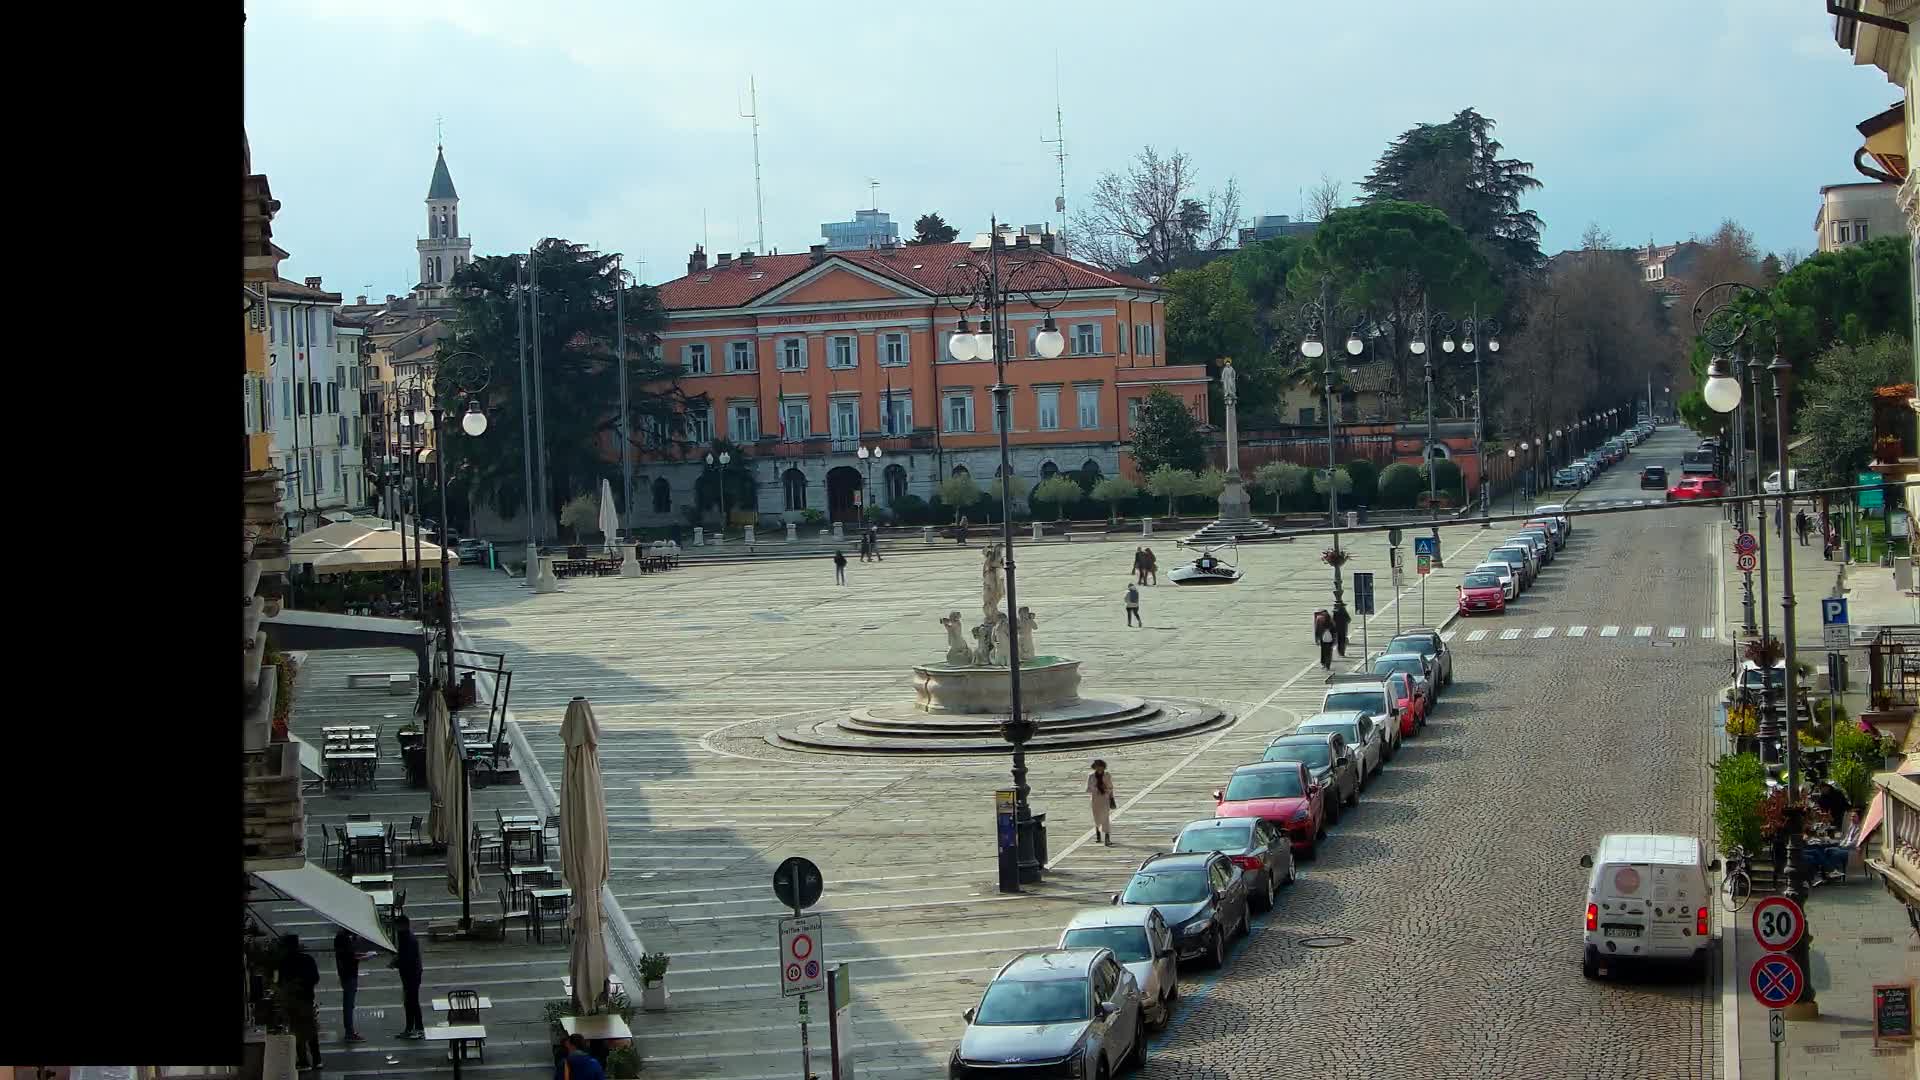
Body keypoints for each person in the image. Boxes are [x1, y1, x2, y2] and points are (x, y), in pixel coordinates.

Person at [278, 935, 322, 1070]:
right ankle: (317, 1060)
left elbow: (281, 982)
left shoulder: (285, 961)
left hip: (293, 1001)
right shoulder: (308, 959)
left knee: (297, 1031)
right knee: (311, 1031)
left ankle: (303, 1061)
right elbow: (315, 978)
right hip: (307, 999)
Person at [333, 928, 374, 1043]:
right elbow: (349, 958)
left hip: (346, 974)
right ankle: (349, 1032)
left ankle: (349, 1031)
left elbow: (350, 954)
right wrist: (365, 957)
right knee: (348, 1004)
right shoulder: (343, 939)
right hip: (348, 974)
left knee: (349, 1004)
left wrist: (362, 954)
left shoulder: (342, 938)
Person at [391, 915, 425, 1039]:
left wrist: (396, 963)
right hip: (409, 974)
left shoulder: (408, 938)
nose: (394, 928)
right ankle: (412, 1028)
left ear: (403, 925)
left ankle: (416, 1028)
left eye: (396, 925)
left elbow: (408, 958)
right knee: (410, 1002)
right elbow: (402, 953)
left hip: (412, 975)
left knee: (412, 1001)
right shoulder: (404, 936)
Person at [1087, 759, 1116, 846]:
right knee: (1097, 818)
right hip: (1095, 800)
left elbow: (1110, 787)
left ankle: (1107, 838)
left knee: (1105, 818)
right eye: (1097, 767)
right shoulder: (1091, 776)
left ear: (1103, 767)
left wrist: (1109, 794)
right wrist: (1096, 789)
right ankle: (1098, 835)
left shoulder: (1107, 775)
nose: (1099, 769)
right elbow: (1088, 788)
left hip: (1105, 799)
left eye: (1101, 767)